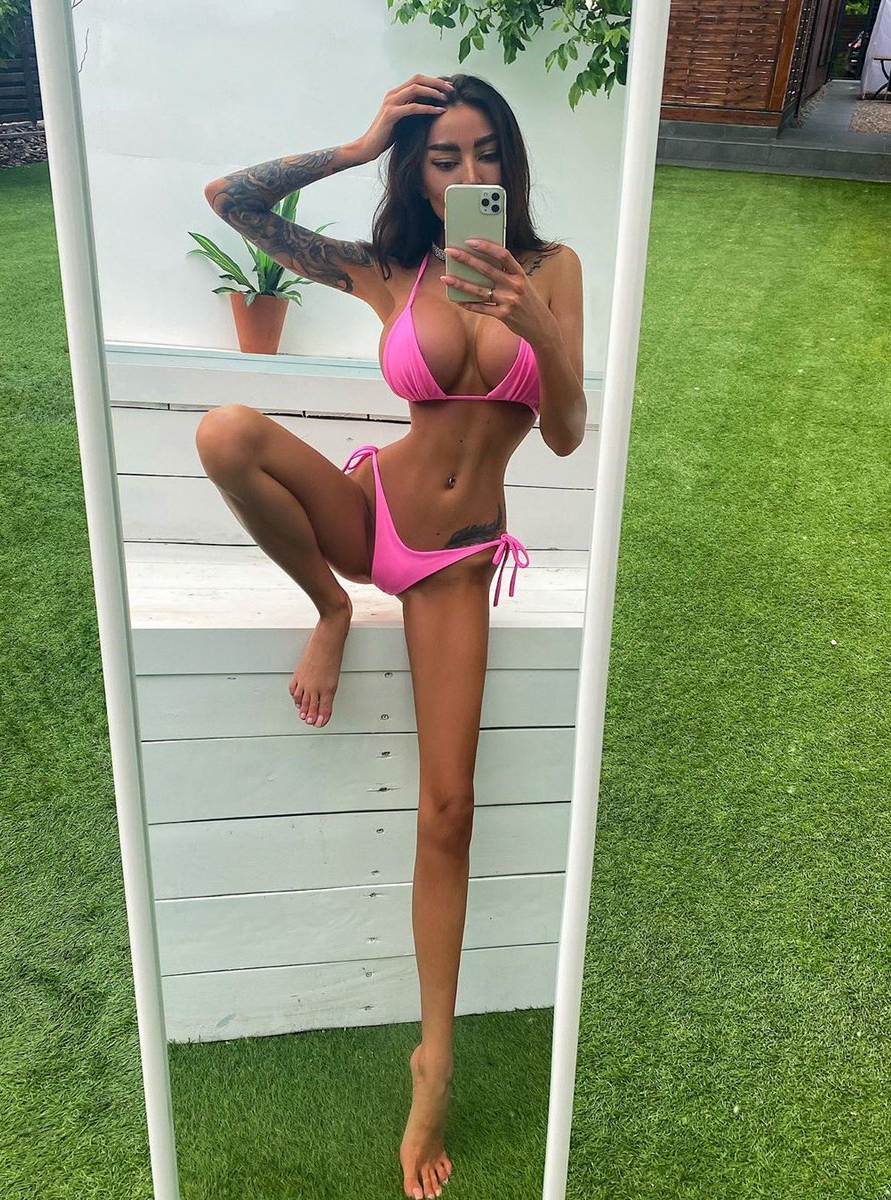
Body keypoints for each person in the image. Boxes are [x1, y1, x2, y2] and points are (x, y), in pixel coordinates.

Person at [197, 73, 585, 1200]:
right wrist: (359, 140)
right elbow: (231, 201)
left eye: (485, 152)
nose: (469, 174)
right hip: (373, 519)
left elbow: (566, 434)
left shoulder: (552, 269)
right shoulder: (387, 271)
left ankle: (435, 1062)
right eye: (442, 156)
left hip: (457, 559)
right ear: (416, 171)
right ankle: (331, 606)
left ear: (510, 160)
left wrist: (537, 327)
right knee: (226, 433)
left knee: (449, 812)